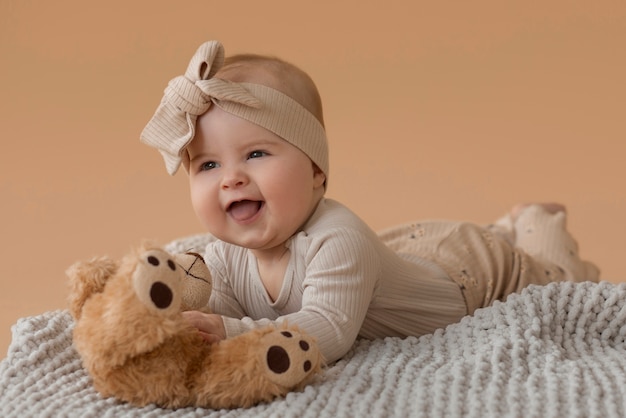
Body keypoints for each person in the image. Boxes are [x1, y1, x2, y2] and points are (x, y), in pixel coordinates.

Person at [140, 40, 600, 363]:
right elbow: (215, 299)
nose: (231, 179)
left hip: (473, 271)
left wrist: (229, 334)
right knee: (395, 257)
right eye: (207, 166)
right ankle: (503, 224)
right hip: (408, 249)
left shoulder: (339, 239)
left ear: (317, 170)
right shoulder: (227, 254)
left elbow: (329, 330)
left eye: (256, 154)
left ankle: (534, 218)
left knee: (555, 275)